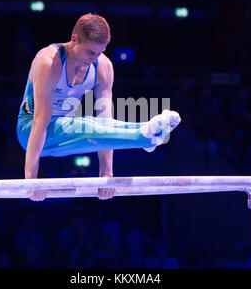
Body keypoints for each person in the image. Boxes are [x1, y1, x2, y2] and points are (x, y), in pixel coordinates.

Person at [16, 13, 181, 201]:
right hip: (30, 131)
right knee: (83, 125)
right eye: (90, 52)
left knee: (93, 123)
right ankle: (143, 136)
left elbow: (105, 122)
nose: (95, 58)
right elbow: (40, 121)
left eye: (100, 52)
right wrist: (31, 180)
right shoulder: (49, 61)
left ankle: (148, 138)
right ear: (74, 39)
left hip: (65, 130)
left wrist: (106, 173)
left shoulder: (103, 66)